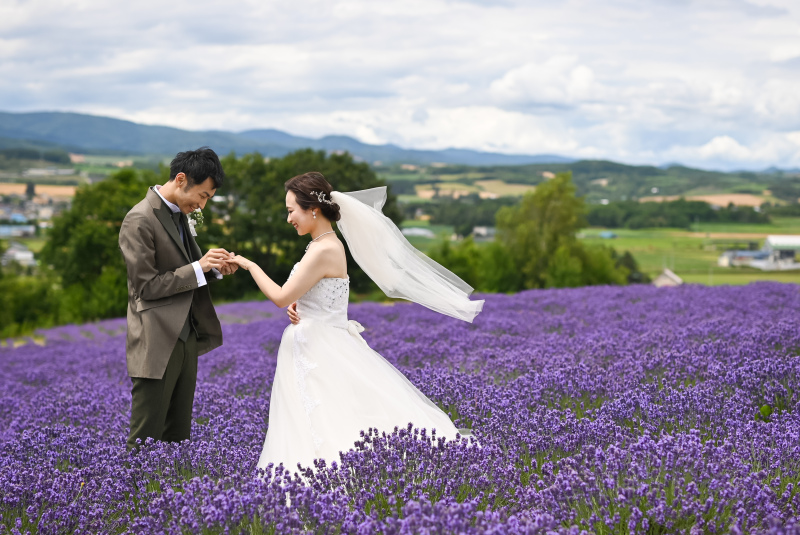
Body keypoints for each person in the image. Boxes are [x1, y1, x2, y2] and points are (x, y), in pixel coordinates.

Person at [226, 171, 483, 471]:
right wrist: (303, 306)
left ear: (313, 208)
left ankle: (325, 478)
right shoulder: (324, 245)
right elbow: (313, 294)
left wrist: (249, 264)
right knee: (319, 416)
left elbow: (281, 295)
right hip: (318, 340)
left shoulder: (323, 249)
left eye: (291, 211)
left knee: (323, 419)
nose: (289, 218)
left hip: (318, 346)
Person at [118, 147, 237, 451]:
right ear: (181, 179)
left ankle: (170, 496)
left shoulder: (178, 215)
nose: (202, 205)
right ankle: (131, 497)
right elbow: (146, 287)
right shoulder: (139, 219)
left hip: (185, 339)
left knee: (178, 439)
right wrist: (199, 267)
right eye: (203, 195)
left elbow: (186, 271)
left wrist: (215, 270)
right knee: (145, 440)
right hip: (156, 341)